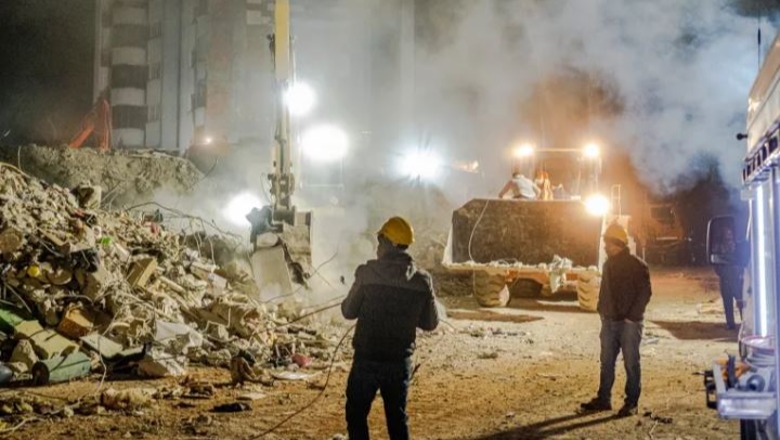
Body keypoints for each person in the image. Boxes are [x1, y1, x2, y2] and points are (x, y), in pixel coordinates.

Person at [341, 216, 439, 440]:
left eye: (380, 240)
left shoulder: (366, 273)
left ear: (389, 243)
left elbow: (348, 312)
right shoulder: (422, 281)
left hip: (367, 359)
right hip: (399, 362)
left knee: (356, 414)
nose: (377, 246)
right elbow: (430, 324)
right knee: (397, 419)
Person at [580, 223, 652, 417]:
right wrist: (603, 312)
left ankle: (631, 403)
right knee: (606, 362)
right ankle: (604, 399)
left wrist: (631, 318)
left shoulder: (637, 266)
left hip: (628, 324)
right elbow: (606, 292)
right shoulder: (608, 264)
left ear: (618, 243)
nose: (605, 247)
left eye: (608, 243)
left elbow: (645, 294)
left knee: (631, 363)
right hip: (610, 322)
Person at [714, 226, 744, 330]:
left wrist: (740, 272)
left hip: (736, 279)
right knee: (727, 303)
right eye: (726, 235)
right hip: (725, 279)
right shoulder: (719, 248)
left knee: (741, 302)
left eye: (730, 235)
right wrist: (722, 273)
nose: (729, 237)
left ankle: (744, 321)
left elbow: (742, 260)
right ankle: (730, 324)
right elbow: (716, 264)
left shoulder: (737, 247)